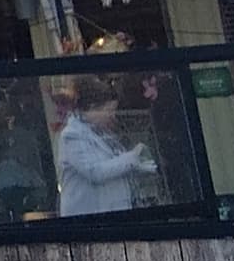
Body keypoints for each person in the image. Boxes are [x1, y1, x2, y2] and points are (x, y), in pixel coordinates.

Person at [54, 87, 157, 217]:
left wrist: (140, 165)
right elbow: (94, 171)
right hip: (87, 216)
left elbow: (114, 164)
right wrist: (131, 158)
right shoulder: (72, 135)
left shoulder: (102, 133)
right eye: (109, 110)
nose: (112, 116)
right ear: (93, 109)